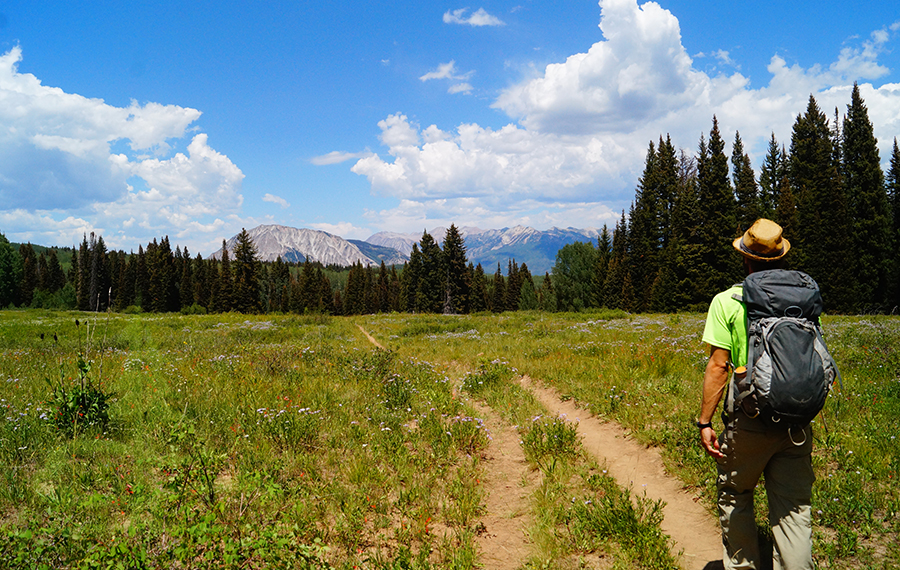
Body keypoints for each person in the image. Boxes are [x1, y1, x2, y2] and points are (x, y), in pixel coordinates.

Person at [698, 218, 815, 570]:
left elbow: (719, 367)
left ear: (746, 260)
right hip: (796, 418)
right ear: (780, 257)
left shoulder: (728, 301)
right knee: (794, 509)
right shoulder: (804, 298)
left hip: (748, 418)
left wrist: (704, 421)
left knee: (737, 495)